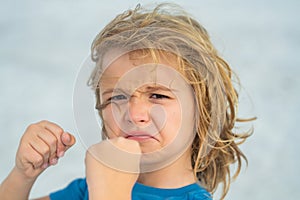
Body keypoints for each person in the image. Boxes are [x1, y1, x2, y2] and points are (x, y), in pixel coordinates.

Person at [0, 3, 254, 200]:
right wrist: (22, 175)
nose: (134, 114)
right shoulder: (86, 190)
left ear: (202, 111)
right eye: (117, 97)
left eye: (157, 95)